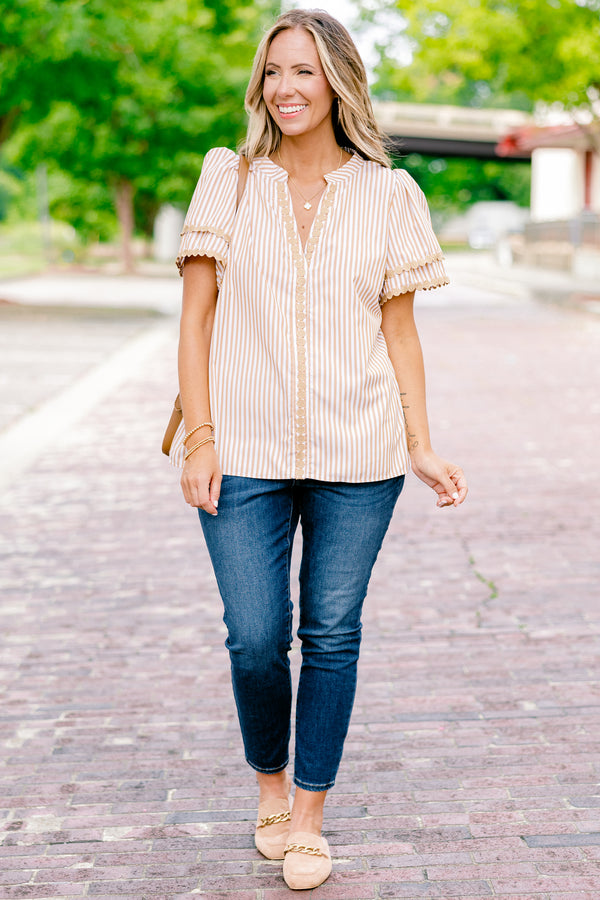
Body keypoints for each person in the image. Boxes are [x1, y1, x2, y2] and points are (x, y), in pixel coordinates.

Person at [173, 8, 467, 891]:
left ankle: (307, 815)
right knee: (255, 638)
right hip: (247, 445)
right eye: (273, 73)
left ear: (339, 80)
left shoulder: (391, 193)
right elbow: (195, 319)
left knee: (330, 634)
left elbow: (400, 331)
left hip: (361, 450)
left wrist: (421, 441)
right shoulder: (227, 179)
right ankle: (267, 785)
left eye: (304, 71)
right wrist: (201, 434)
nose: (286, 89)